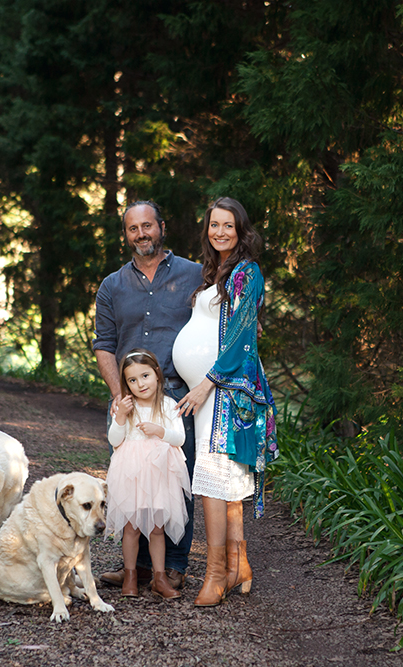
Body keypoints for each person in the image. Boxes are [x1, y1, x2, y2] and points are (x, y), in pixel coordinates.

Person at [172, 196, 279, 608]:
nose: (220, 232)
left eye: (228, 226)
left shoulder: (246, 273)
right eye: (214, 225)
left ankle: (216, 573)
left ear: (241, 231)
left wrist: (204, 385)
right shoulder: (213, 272)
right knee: (223, 483)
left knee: (215, 482)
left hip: (227, 391)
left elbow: (240, 339)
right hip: (210, 391)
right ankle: (238, 567)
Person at [93, 200, 202, 591]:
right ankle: (134, 567)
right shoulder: (112, 286)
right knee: (130, 483)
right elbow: (104, 344)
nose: (141, 234)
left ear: (162, 226)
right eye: (133, 229)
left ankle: (172, 565)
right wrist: (121, 396)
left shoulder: (195, 275)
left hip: (178, 396)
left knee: (175, 483)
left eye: (147, 226)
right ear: (126, 235)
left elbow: (210, 330)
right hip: (128, 399)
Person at [105, 349, 192, 600]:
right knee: (131, 528)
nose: (140, 384)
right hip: (131, 473)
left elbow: (180, 438)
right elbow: (115, 441)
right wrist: (120, 416)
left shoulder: (167, 405)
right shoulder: (125, 406)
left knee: (156, 529)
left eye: (144, 376)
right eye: (132, 380)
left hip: (157, 474)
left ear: (156, 374)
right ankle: (130, 575)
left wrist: (159, 430)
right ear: (126, 384)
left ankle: (159, 577)